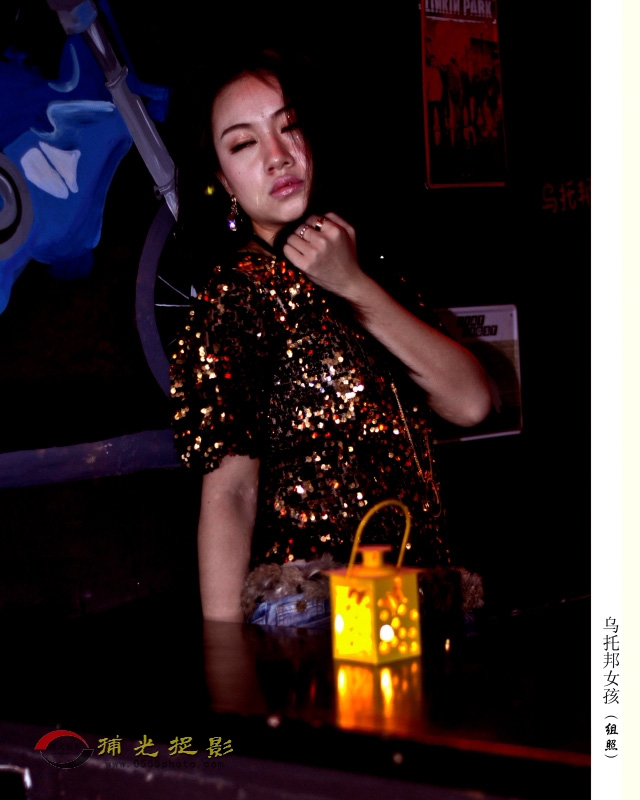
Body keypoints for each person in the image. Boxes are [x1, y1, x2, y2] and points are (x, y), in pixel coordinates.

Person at [169, 47, 492, 625]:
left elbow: (470, 402)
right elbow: (229, 494)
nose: (277, 156)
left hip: (418, 599)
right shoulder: (236, 294)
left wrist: (354, 285)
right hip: (317, 610)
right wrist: (224, 656)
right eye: (244, 144)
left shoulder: (367, 267)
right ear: (223, 180)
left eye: (288, 125)